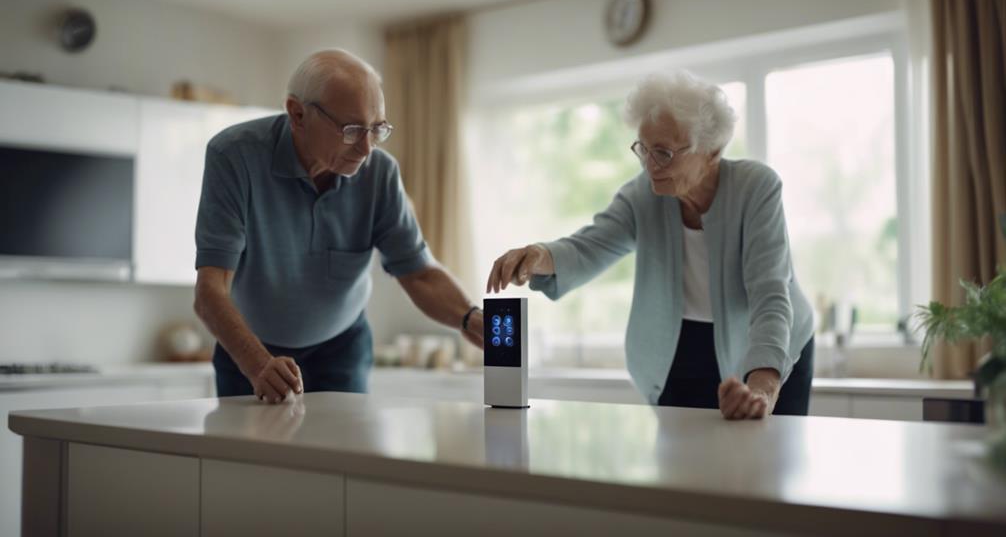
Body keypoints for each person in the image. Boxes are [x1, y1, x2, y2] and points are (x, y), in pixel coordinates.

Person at [487, 71, 814, 420]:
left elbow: (770, 293)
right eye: (643, 149)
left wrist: (763, 387)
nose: (649, 164)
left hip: (770, 344)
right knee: (681, 468)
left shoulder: (756, 188)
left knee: (764, 464)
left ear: (711, 151)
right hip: (681, 345)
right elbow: (589, 245)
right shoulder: (642, 196)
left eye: (664, 152)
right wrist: (540, 255)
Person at [194, 49, 483, 403]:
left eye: (376, 129)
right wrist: (257, 365)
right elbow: (210, 292)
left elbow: (419, 273)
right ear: (297, 114)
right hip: (250, 347)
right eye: (351, 130)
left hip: (341, 348)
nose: (365, 149)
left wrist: (470, 318)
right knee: (252, 457)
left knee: (347, 457)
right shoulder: (234, 157)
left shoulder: (380, 174)